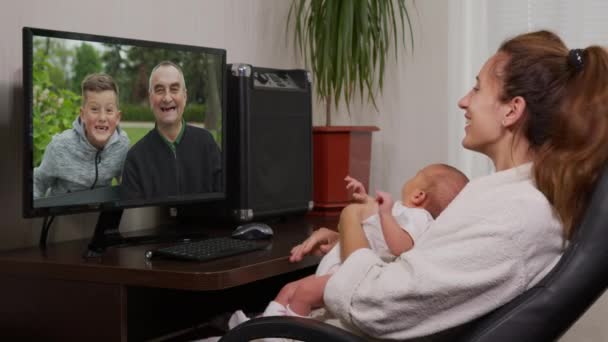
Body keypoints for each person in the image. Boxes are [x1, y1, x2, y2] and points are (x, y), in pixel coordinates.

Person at [287, 30, 608, 340]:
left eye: (478, 89)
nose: (463, 101)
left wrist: (351, 217)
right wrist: (357, 238)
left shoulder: (515, 216)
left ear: (512, 110)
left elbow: (373, 304)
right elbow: (428, 269)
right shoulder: (511, 201)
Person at [229, 164, 468, 323]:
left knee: (301, 294)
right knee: (289, 289)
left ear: (419, 196)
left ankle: (284, 337)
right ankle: (263, 327)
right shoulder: (403, 213)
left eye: (416, 176)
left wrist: (383, 213)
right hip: (343, 266)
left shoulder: (419, 218)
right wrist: (366, 199)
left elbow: (401, 246)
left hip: (350, 275)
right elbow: (375, 224)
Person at [121, 61, 222, 200]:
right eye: (159, 90)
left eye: (174, 89)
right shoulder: (136, 158)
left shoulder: (207, 144)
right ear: (151, 98)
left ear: (185, 96)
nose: (167, 98)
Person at [33, 73, 129, 198]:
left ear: (117, 117)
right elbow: (37, 183)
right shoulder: (60, 146)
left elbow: (128, 184)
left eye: (109, 110)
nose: (102, 117)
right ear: (82, 115)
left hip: (99, 214)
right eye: (94, 109)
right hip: (62, 214)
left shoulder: (122, 145)